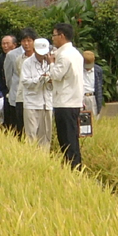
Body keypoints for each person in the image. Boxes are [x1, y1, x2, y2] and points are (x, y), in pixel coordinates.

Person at [48, 23, 85, 169]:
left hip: (65, 102)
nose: (53, 39)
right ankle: (74, 165)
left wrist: (51, 63)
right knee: (71, 137)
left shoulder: (64, 55)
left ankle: (74, 167)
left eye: (54, 35)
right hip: (73, 101)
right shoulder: (75, 53)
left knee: (67, 139)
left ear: (62, 36)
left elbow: (56, 75)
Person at [21, 37, 53, 148]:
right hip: (32, 103)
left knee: (46, 135)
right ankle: (32, 158)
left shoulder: (50, 63)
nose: (41, 56)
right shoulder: (27, 63)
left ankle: (44, 158)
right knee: (31, 135)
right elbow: (25, 82)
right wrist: (39, 79)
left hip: (47, 103)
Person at [4, 29, 36, 137]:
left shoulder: (40, 55)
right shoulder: (13, 56)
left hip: (35, 97)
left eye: (29, 41)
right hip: (19, 95)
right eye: (24, 41)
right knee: (19, 127)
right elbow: (9, 77)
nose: (26, 44)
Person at [0, 36, 16, 128]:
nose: (5, 46)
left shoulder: (19, 57)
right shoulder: (1, 59)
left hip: (18, 92)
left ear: (14, 45)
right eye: (3, 44)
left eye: (7, 43)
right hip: (6, 92)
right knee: (7, 116)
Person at [80, 50, 104, 121]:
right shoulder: (78, 69)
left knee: (94, 119)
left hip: (92, 97)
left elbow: (99, 87)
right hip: (81, 96)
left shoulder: (98, 70)